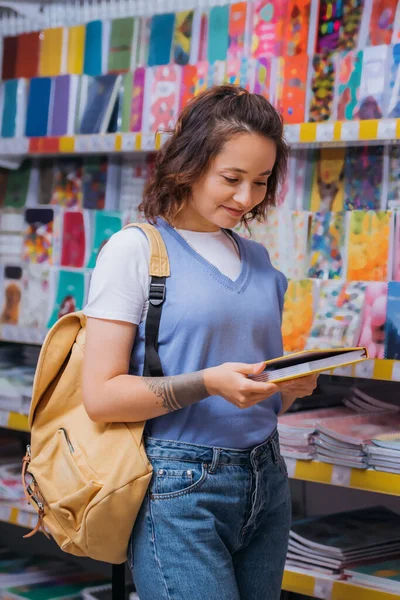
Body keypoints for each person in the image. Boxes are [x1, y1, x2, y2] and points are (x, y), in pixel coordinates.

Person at [82, 85, 318, 600]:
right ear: (188, 164)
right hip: (178, 488)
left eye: (260, 182)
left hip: (267, 478)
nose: (247, 198)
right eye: (231, 179)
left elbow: (250, 380)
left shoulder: (259, 261)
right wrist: (208, 384)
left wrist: (285, 387)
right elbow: (100, 397)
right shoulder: (135, 251)